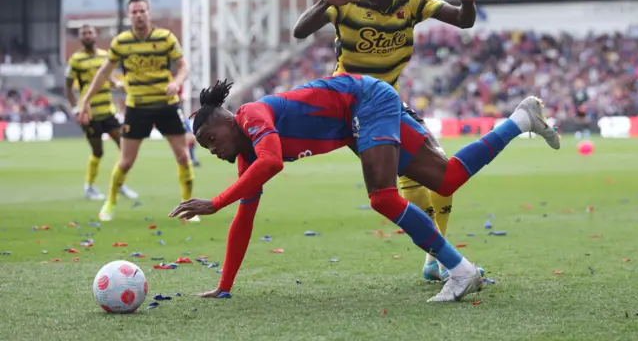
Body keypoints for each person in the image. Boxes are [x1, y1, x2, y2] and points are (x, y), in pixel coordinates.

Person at [168, 74, 560, 301]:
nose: (214, 149)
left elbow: (272, 162)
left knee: (383, 197)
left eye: (211, 139)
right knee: (447, 178)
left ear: (227, 120)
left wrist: (214, 202)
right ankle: (521, 119)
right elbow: (246, 216)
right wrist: (223, 286)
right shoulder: (248, 154)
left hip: (365, 101)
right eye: (206, 147)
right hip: (359, 117)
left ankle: (460, 271)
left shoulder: (252, 116)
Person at [293, 0, 478, 282]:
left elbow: (462, 21)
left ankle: (434, 259)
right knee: (430, 175)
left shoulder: (412, 1)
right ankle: (440, 259)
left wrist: (467, 1)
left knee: (443, 176)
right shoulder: (347, 2)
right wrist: (324, 3)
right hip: (351, 107)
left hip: (388, 101)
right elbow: (300, 30)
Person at [78, 0, 195, 222]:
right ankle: (110, 202)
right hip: (137, 107)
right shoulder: (121, 42)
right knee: (126, 161)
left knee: (182, 156)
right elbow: (103, 73)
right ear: (129, 15)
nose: (139, 15)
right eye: (134, 12)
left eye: (142, 10)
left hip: (166, 105)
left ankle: (188, 209)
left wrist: (177, 82)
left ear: (149, 13)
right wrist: (84, 102)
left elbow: (183, 66)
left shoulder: (165, 37)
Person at [64, 24, 138, 201]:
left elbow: (106, 77)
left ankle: (120, 184)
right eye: (84, 34)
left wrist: (116, 84)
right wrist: (75, 108)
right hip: (90, 113)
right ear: (81, 38)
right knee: (98, 152)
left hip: (108, 111)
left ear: (95, 35)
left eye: (90, 32)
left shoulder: (105, 55)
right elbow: (68, 86)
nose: (87, 36)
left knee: (124, 147)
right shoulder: (76, 60)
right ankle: (89, 187)